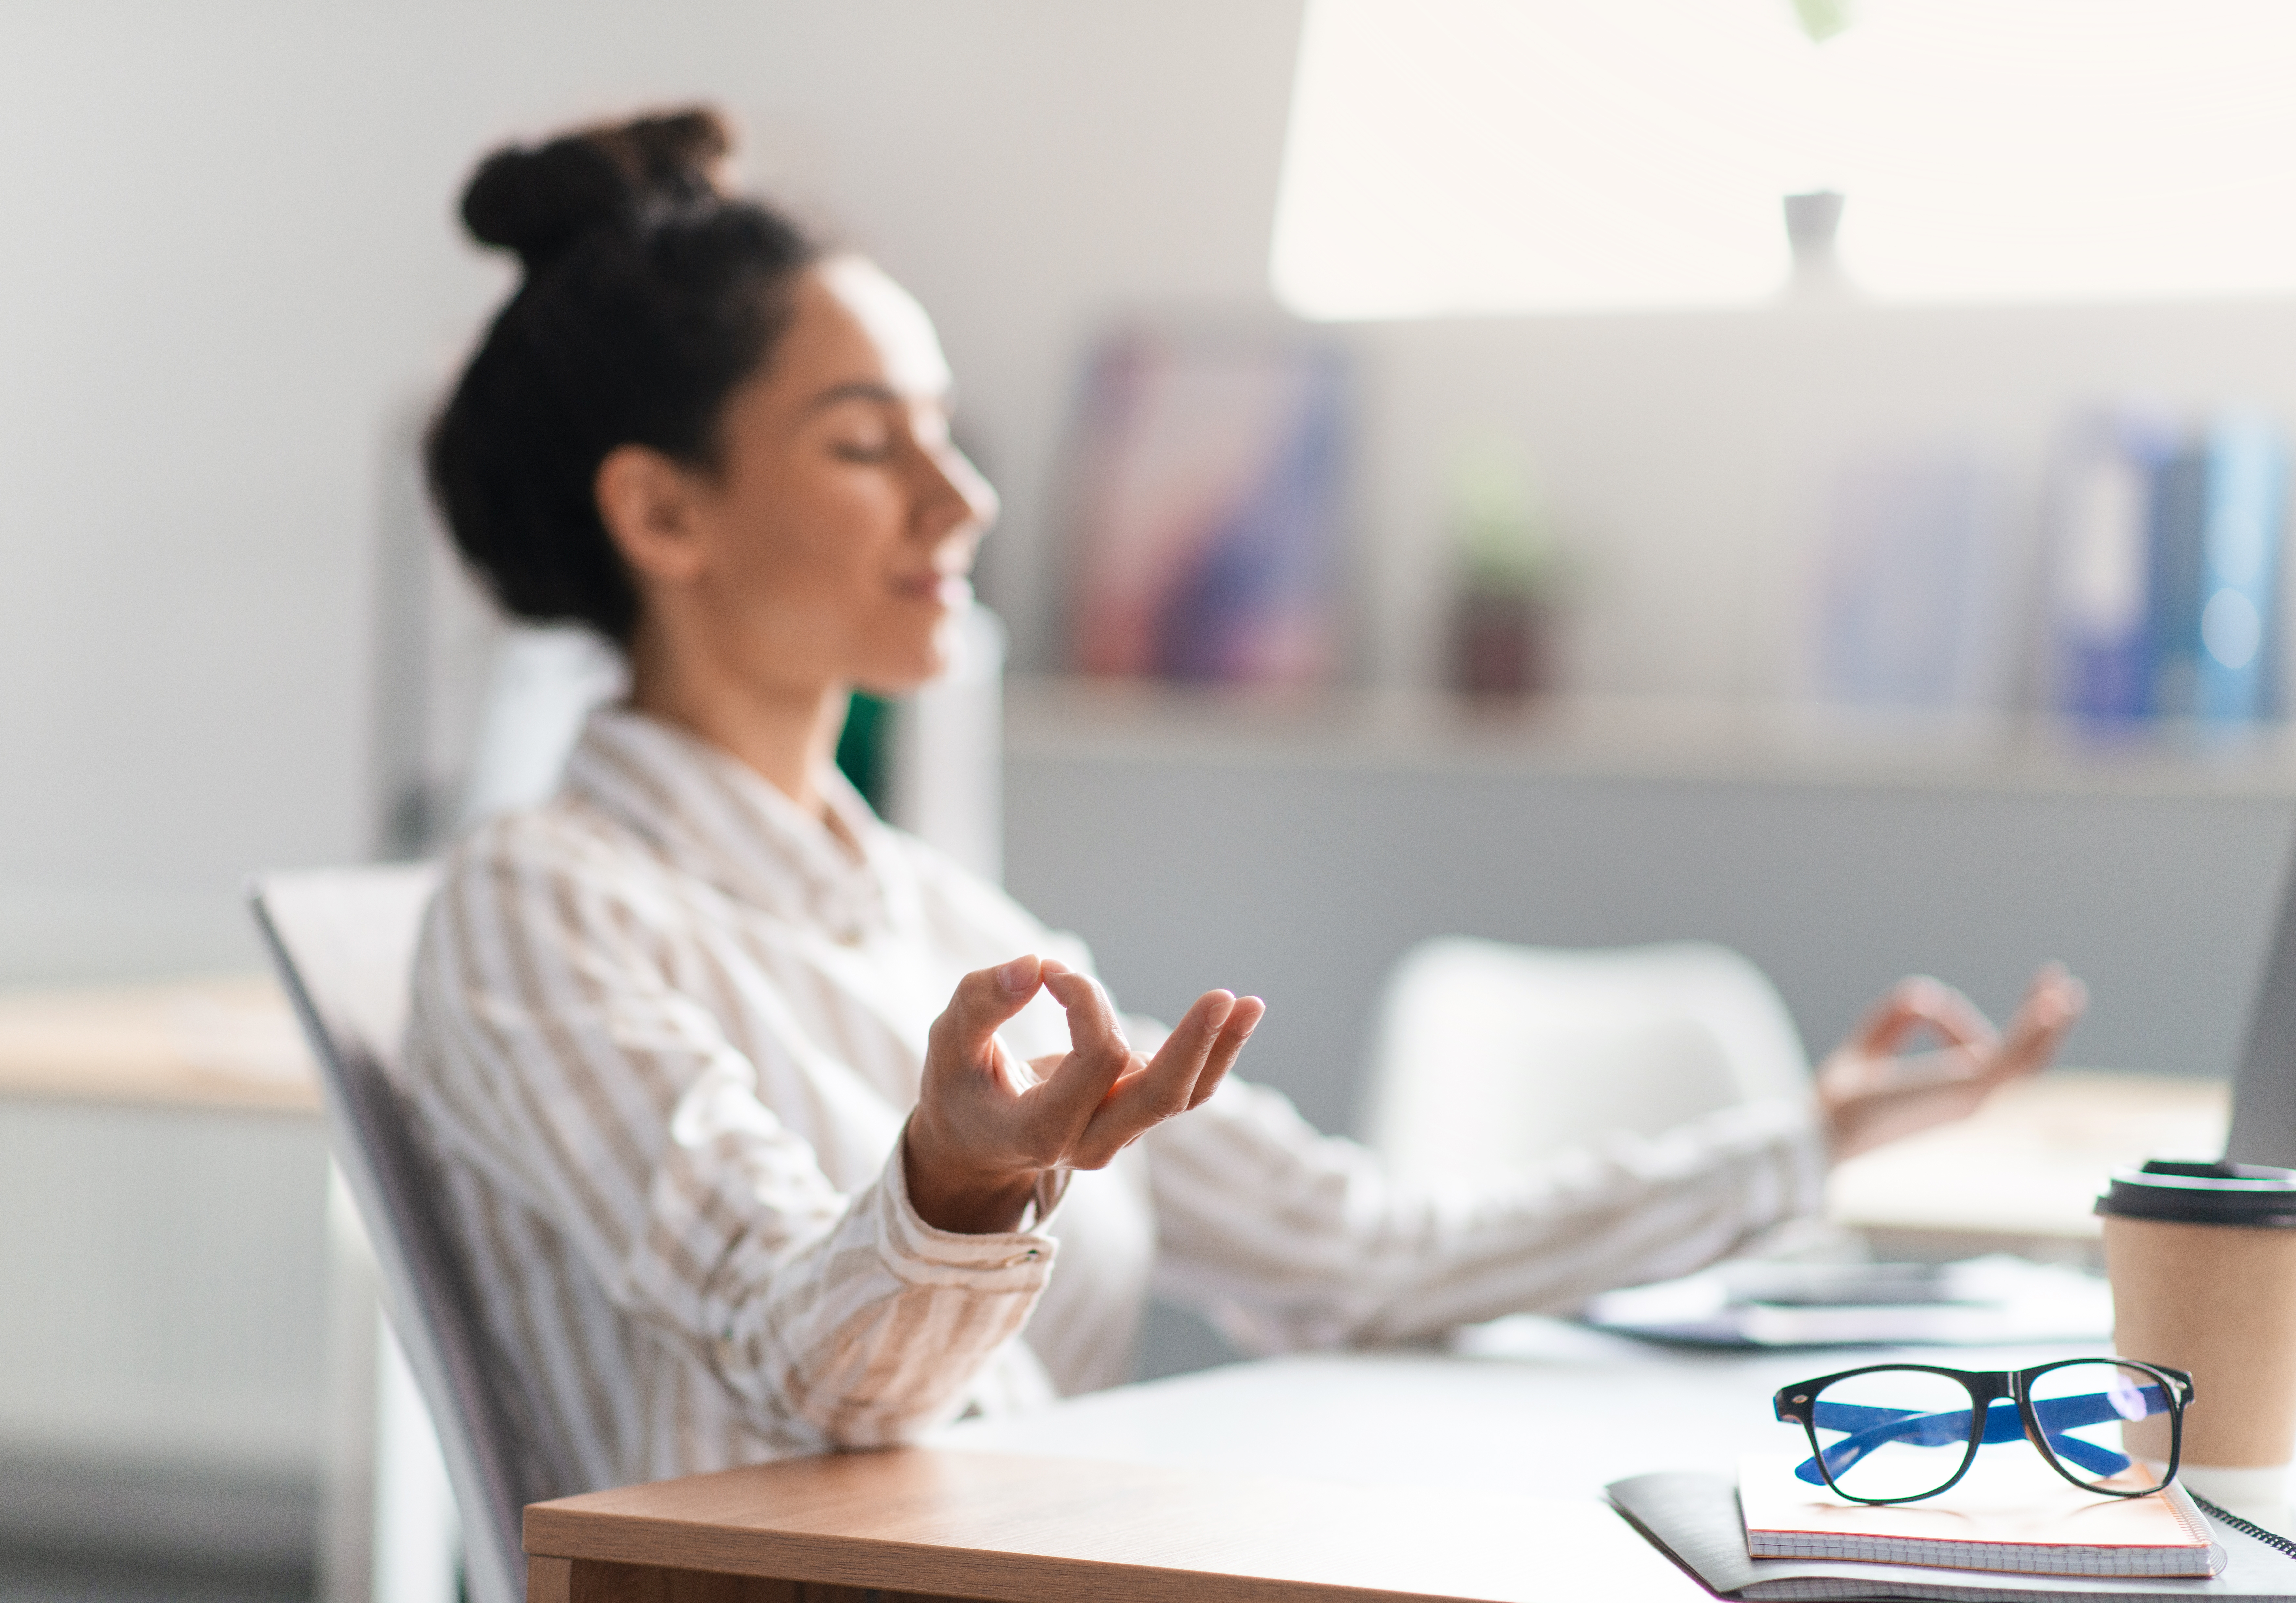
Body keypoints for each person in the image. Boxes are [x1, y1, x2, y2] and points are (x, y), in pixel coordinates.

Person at [404, 108, 2086, 1500]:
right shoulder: (543, 902)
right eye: (867, 447)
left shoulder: (939, 921)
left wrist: (1808, 1135)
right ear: (664, 513)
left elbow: (1363, 1253)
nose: (964, 496)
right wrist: (957, 1189)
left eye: (946, 432)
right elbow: (802, 1360)